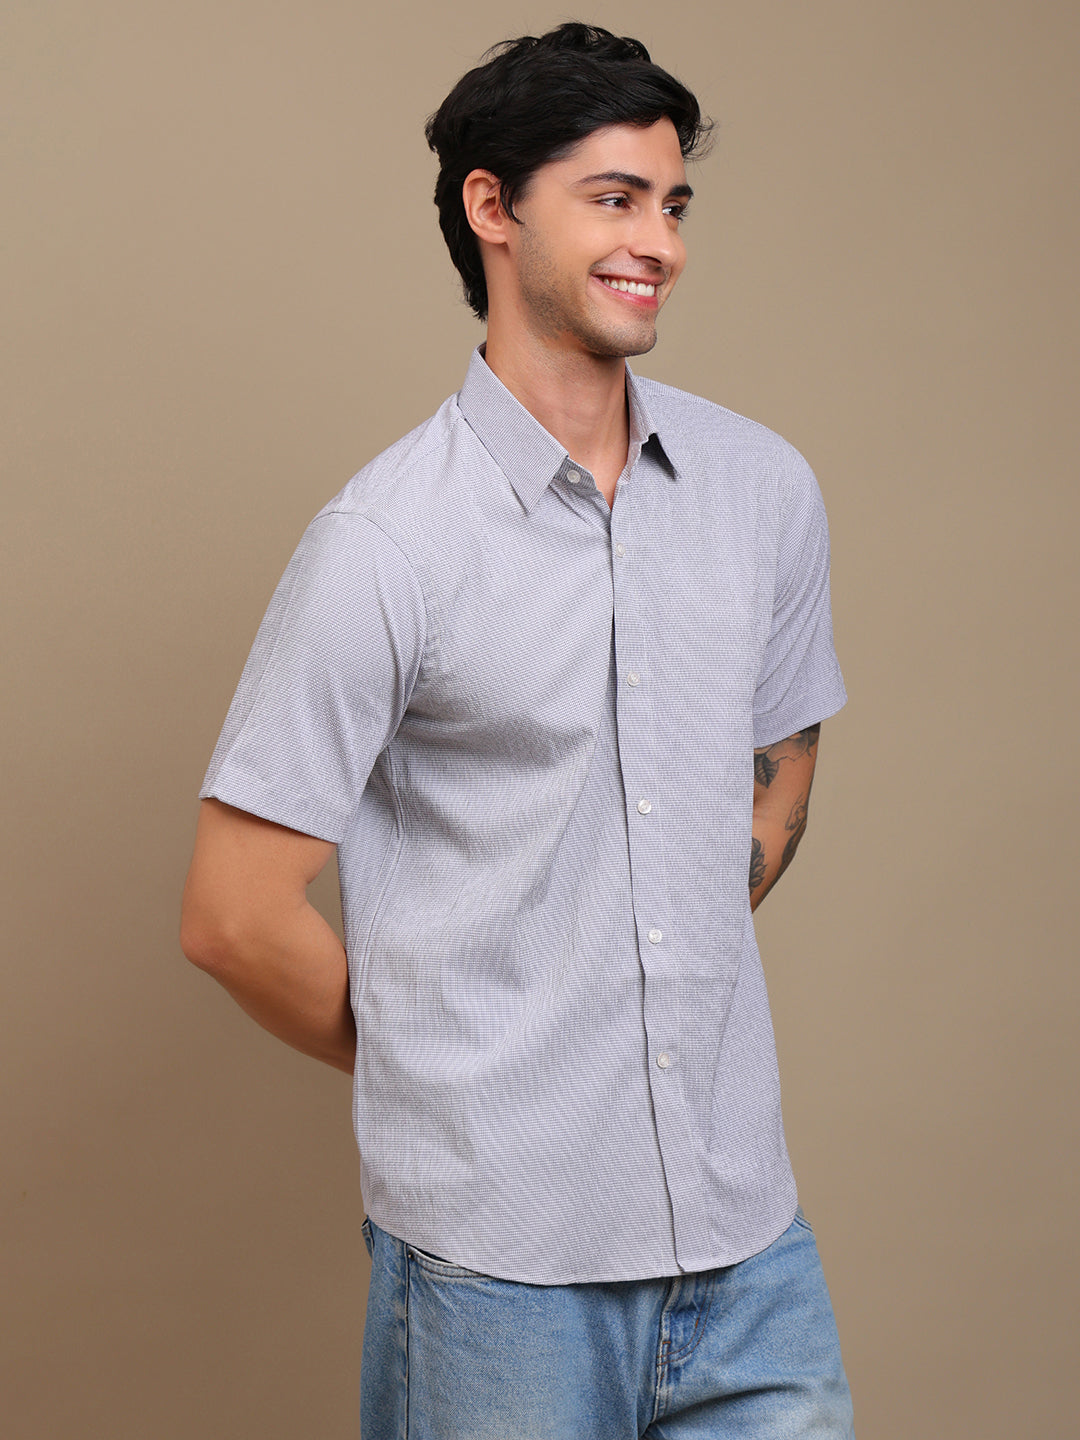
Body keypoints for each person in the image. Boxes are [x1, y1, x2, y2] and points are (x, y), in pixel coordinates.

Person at [181, 21, 854, 1439]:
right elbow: (235, 915)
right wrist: (471, 1071)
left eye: (672, 204)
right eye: (613, 197)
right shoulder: (387, 544)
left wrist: (681, 929)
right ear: (494, 208)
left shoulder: (761, 488)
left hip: (746, 1246)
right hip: (501, 1267)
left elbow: (783, 753)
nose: (658, 241)